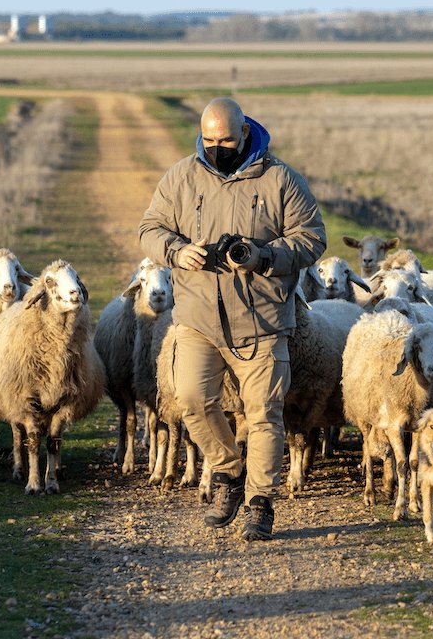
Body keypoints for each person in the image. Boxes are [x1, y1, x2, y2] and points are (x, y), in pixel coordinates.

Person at [139, 97, 326, 539]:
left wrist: (265, 256)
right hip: (198, 317)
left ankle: (260, 502)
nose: (216, 147)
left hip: (261, 319)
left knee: (264, 413)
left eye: (225, 139)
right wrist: (176, 251)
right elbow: (150, 229)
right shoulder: (182, 177)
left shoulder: (280, 179)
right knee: (190, 399)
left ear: (245, 133)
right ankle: (227, 473)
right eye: (208, 139)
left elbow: (312, 238)